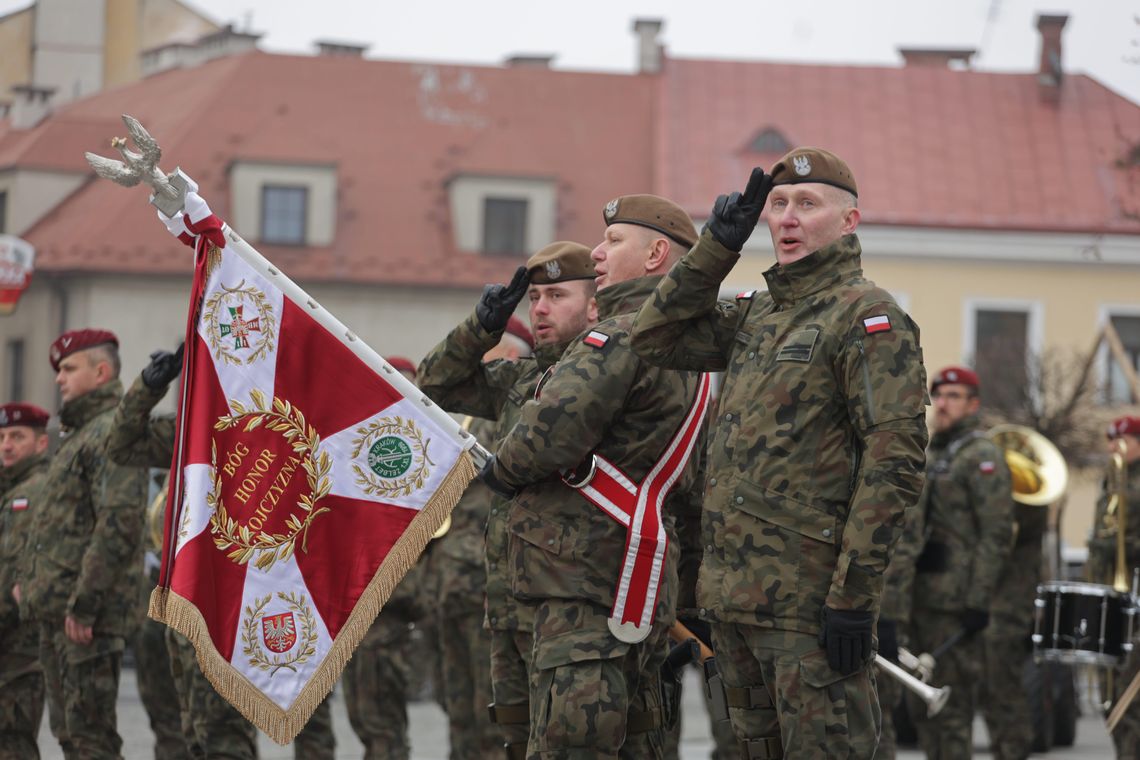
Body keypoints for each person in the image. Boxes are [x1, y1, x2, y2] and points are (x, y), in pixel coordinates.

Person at [630, 148, 929, 758]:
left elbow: (892, 464)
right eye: (778, 205)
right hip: (735, 600)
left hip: (809, 606)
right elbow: (653, 336)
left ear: (849, 222)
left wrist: (853, 599)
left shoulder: (869, 316)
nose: (788, 219)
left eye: (808, 204)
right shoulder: (756, 314)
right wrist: (717, 246)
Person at [480, 198, 707, 759]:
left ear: (657, 254)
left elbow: (538, 440)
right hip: (639, 579)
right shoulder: (691, 347)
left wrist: (500, 469)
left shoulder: (619, 336)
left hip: (587, 585)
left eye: (614, 241)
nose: (598, 253)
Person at [107, 344, 336, 759]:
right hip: (187, 602)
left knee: (224, 739)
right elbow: (121, 445)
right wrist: (149, 386)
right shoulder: (189, 432)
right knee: (195, 733)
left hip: (235, 604)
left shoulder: (278, 434)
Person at [416, 242, 597, 759]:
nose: (539, 308)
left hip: (571, 605)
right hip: (507, 602)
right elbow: (433, 385)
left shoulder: (611, 374)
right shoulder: (519, 380)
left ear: (594, 305)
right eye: (534, 297)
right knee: (509, 741)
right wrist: (482, 326)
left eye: (556, 295)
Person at [20, 329, 149, 758]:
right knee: (71, 738)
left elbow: (118, 522)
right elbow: (55, 527)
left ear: (101, 372)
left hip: (86, 620)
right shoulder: (79, 435)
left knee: (92, 742)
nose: (59, 379)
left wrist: (85, 603)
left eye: (69, 369)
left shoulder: (112, 432)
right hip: (60, 614)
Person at [897, 365, 1014, 759]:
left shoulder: (982, 455)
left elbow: (996, 535)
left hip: (956, 605)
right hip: (921, 597)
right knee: (922, 709)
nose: (942, 404)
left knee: (953, 713)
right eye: (939, 396)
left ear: (973, 404)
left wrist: (978, 600)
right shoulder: (934, 451)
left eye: (953, 397)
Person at [0, 402, 51, 758]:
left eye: (17, 436)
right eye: (2, 437)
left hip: (20, 650)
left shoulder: (41, 490)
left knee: (14, 744)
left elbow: (19, 570)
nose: (6, 444)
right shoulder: (8, 491)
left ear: (41, 443)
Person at [1088, 415, 1140, 758]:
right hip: (1110, 594)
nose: (1115, 447)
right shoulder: (1111, 481)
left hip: (1134, 595)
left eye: (1124, 440)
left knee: (1128, 698)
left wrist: (1122, 545)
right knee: (1112, 697)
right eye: (1111, 440)